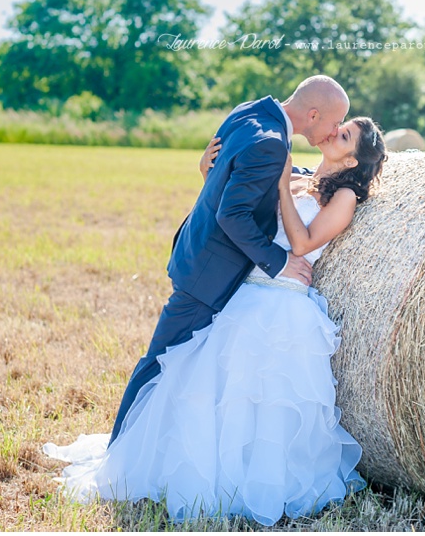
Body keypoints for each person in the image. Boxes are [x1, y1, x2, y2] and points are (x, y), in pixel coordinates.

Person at [43, 117, 388, 526]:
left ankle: (253, 479)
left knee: (264, 400)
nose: (333, 131)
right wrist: (209, 171)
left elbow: (302, 242)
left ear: (352, 159)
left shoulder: (344, 195)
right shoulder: (299, 174)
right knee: (209, 386)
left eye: (344, 135)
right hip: (244, 290)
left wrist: (280, 184)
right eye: (339, 125)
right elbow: (235, 207)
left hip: (284, 303)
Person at [106, 76, 349, 447]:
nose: (335, 131)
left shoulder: (251, 111)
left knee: (187, 366)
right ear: (313, 114)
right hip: (209, 270)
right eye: (334, 123)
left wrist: (208, 172)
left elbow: (234, 177)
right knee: (161, 360)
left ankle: (161, 443)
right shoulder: (271, 144)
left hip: (199, 253)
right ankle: (120, 453)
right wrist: (280, 262)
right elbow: (233, 215)